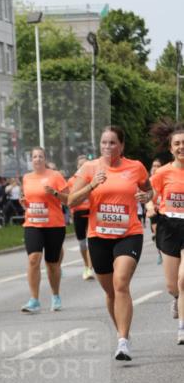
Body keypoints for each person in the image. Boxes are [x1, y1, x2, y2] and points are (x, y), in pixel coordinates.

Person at [68, 125, 152, 360]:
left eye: (113, 142)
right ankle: (121, 332)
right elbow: (72, 201)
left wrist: (146, 196)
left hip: (129, 233)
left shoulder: (135, 167)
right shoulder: (89, 168)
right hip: (99, 236)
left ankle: (123, 341)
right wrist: (92, 185)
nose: (107, 146)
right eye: (104, 142)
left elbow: (149, 191)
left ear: (121, 146)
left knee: (121, 282)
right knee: (110, 291)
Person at [20, 148, 69, 313]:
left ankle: (55, 295)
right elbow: (29, 199)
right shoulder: (27, 178)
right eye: (34, 156)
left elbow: (69, 199)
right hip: (33, 223)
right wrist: (24, 203)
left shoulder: (55, 176)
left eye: (40, 156)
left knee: (52, 264)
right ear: (31, 160)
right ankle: (34, 300)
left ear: (45, 159)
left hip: (54, 225)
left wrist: (55, 193)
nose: (37, 159)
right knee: (33, 259)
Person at [149, 124, 184, 344]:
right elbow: (150, 197)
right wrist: (149, 207)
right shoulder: (162, 173)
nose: (181, 147)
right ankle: (177, 299)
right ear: (171, 148)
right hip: (169, 227)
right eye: (177, 144)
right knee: (172, 286)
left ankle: (182, 328)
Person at [69, 154, 94, 280]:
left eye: (85, 165)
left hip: (91, 212)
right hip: (78, 213)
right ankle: (86, 265)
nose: (82, 167)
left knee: (91, 241)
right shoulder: (71, 181)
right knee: (82, 243)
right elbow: (69, 199)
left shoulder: (94, 179)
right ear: (77, 166)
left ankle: (89, 267)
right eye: (80, 165)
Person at [147, 157, 164, 265]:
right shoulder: (148, 181)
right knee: (157, 233)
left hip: (164, 211)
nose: (155, 168)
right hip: (154, 212)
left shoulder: (164, 179)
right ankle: (160, 253)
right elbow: (147, 198)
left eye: (158, 166)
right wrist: (150, 208)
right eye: (154, 166)